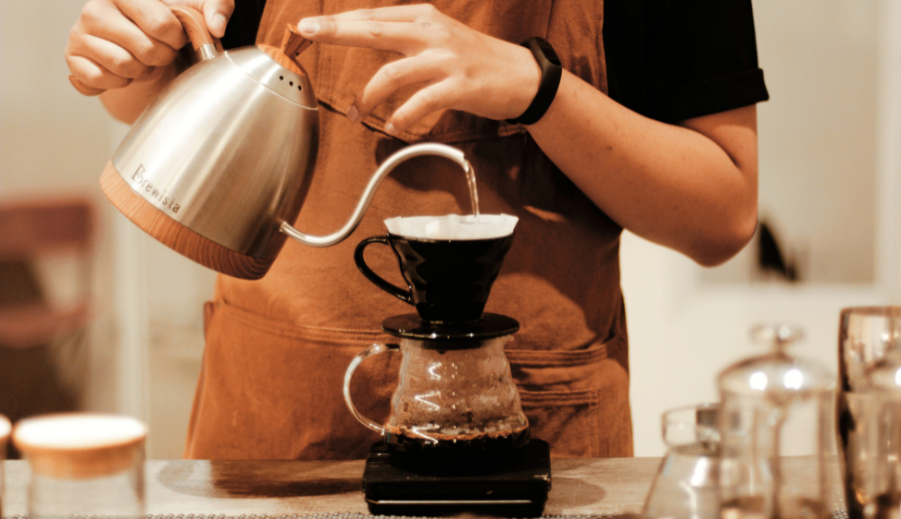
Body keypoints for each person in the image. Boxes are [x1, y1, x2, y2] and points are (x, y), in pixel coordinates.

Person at [66, 0, 768, 459]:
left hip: (530, 443)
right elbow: (159, 87)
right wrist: (125, 56)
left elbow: (722, 212)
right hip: (272, 437)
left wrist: (539, 90)